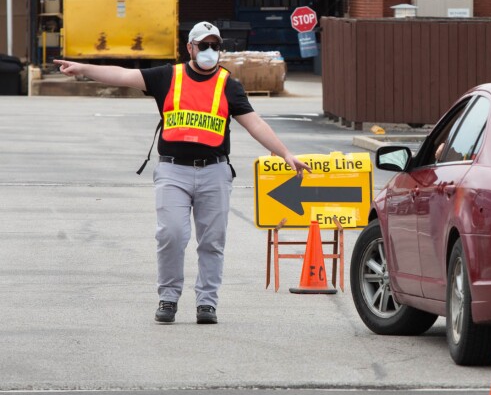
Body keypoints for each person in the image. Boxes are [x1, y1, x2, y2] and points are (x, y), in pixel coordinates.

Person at [55, 21, 310, 325]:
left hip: (214, 172)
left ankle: (207, 303)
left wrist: (285, 153)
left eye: (216, 46)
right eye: (204, 45)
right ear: (190, 48)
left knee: (212, 241)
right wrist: (83, 68)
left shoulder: (228, 85)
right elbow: (123, 75)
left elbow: (254, 123)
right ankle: (168, 297)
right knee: (171, 234)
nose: (210, 51)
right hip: (172, 170)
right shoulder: (168, 76)